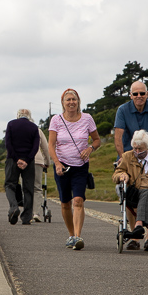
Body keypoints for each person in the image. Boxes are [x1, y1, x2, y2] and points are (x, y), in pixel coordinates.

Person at [48, 89, 101, 249]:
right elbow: (51, 145)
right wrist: (57, 163)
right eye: (68, 100)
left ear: (78, 101)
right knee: (65, 203)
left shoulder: (87, 119)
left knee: (78, 200)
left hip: (80, 166)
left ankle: (78, 237)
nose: (71, 102)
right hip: (62, 165)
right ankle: (71, 234)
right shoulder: (56, 120)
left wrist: (90, 148)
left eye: (74, 99)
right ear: (63, 103)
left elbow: (97, 140)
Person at [5, 109, 40, 225]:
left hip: (12, 160)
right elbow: (35, 147)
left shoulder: (11, 124)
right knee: (28, 188)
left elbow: (8, 144)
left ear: (18, 115)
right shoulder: (34, 127)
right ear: (29, 116)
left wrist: (16, 159)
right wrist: (27, 160)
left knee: (10, 185)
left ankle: (14, 207)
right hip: (28, 162)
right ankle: (26, 217)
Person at [114, 81, 148, 158]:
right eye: (135, 94)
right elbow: (118, 137)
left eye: (142, 93)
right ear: (131, 95)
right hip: (128, 155)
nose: (139, 96)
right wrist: (122, 158)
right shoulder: (122, 110)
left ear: (147, 94)